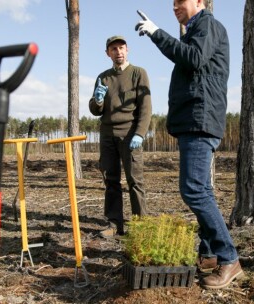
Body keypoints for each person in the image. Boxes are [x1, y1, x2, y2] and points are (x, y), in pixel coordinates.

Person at [135, 0, 243, 290]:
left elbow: (193, 58)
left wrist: (157, 33)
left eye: (179, 2)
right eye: (172, 3)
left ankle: (229, 258)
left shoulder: (208, 25)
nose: (174, 7)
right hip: (195, 120)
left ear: (199, 1)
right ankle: (208, 254)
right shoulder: (196, 29)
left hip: (200, 120)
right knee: (201, 189)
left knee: (193, 189)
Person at [89, 35, 152, 237]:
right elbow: (96, 110)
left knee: (135, 180)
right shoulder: (103, 77)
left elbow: (146, 108)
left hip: (129, 134)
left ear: (128, 50)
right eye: (114, 49)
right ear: (108, 53)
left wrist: (140, 133)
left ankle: (140, 225)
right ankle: (114, 224)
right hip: (107, 134)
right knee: (111, 180)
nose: (118, 52)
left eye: (121, 48)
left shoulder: (138, 73)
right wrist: (97, 99)